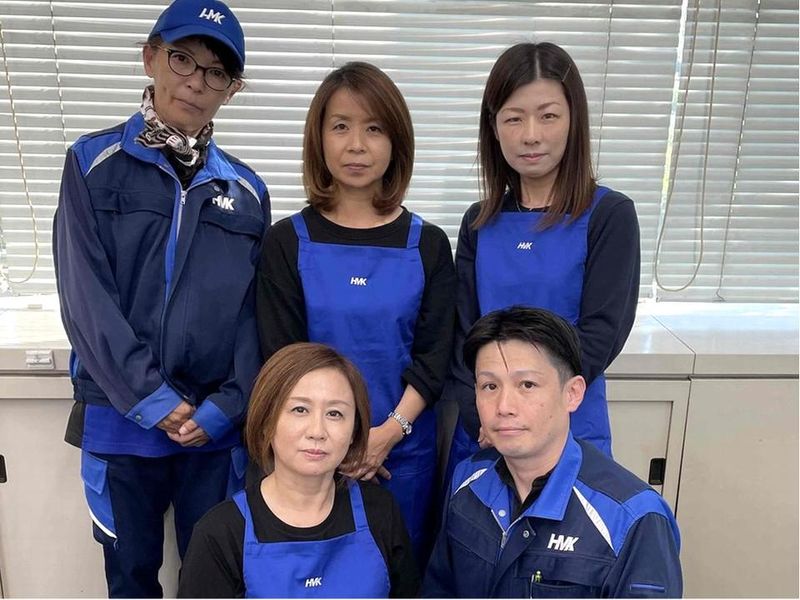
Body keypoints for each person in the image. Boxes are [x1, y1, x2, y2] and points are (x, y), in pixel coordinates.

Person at [52, 0, 269, 596]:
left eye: (216, 72)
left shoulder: (247, 191)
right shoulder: (92, 164)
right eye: (182, 60)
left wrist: (225, 407)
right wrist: (152, 398)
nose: (196, 82)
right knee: (130, 580)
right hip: (121, 418)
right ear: (150, 58)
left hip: (212, 429)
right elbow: (85, 299)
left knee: (213, 580)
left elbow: (253, 315)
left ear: (231, 90)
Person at [256, 61, 455, 561]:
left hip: (400, 451)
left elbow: (434, 358)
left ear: (397, 141)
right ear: (319, 138)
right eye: (341, 126)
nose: (357, 145)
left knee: (396, 574)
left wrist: (387, 434)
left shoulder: (429, 244)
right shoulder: (286, 242)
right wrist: (334, 444)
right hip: (308, 451)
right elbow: (281, 359)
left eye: (374, 128)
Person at [444, 42, 640, 469]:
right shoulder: (479, 221)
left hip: (568, 425)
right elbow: (463, 336)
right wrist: (483, 415)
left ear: (573, 120)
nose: (530, 134)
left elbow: (601, 335)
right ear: (494, 127)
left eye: (548, 116)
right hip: (486, 428)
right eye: (514, 118)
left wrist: (528, 415)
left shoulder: (609, 215)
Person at [424, 307, 682, 598]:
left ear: (572, 393)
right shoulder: (467, 481)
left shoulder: (633, 519)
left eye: (527, 385)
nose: (504, 406)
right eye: (490, 386)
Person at [177, 342, 419, 598]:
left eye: (335, 414)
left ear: (353, 431)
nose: (317, 431)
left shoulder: (380, 511)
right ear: (266, 422)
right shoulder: (221, 532)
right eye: (300, 410)